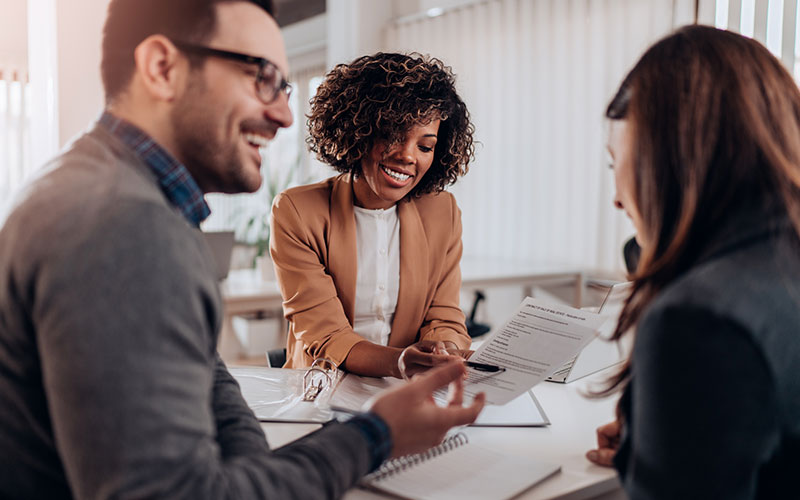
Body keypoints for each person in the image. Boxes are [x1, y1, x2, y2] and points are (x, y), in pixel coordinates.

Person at [0, 1, 484, 498]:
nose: (282, 115)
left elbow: (209, 377)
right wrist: (376, 436)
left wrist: (257, 464)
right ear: (162, 68)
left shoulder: (118, 190)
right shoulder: (121, 226)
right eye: (262, 79)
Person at [585, 25, 800, 498]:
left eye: (614, 164)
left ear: (665, 160)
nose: (618, 201)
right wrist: (670, 437)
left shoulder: (698, 318)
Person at [270, 52, 476, 377]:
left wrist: (443, 350)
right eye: (393, 135)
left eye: (425, 146)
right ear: (359, 133)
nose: (407, 156)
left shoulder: (442, 212)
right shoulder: (298, 211)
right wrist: (400, 362)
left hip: (405, 391)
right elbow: (326, 337)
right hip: (320, 388)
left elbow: (444, 316)